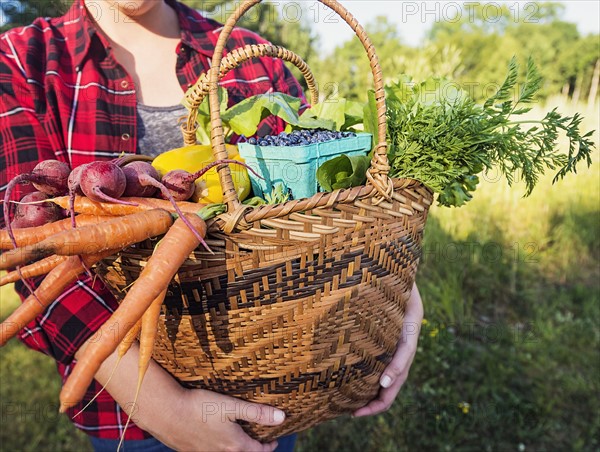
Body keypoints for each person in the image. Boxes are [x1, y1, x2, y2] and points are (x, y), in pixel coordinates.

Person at [0, 0, 424, 450]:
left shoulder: (253, 57)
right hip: (127, 409)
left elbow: (333, 205)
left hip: (276, 384)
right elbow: (33, 244)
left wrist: (397, 295)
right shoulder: (20, 62)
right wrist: (165, 409)